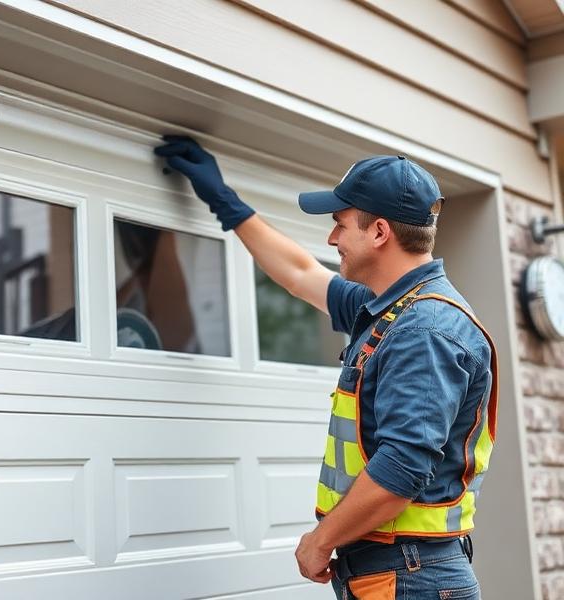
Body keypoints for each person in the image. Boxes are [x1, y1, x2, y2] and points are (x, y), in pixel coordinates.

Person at [154, 135, 497, 600]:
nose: (332, 238)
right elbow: (300, 274)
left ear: (379, 232)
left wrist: (320, 541)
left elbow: (402, 468)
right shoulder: (389, 309)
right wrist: (225, 202)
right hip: (396, 572)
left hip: (409, 576)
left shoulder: (424, 329)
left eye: (340, 225)